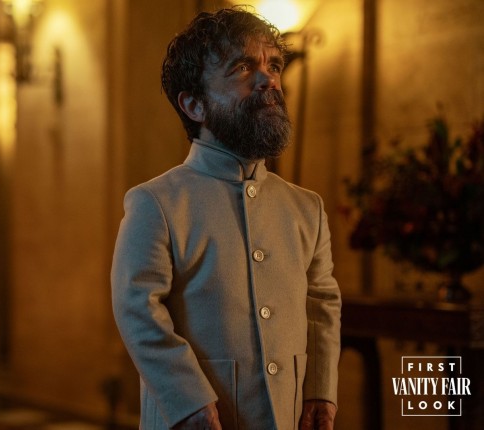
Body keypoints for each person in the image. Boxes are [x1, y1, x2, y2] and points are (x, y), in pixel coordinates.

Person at [111, 6, 341, 430]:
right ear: (194, 105)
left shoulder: (307, 208)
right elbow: (138, 310)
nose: (268, 80)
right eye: (243, 67)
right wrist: (188, 402)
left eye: (274, 65)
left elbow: (321, 303)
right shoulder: (155, 203)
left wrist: (320, 389)